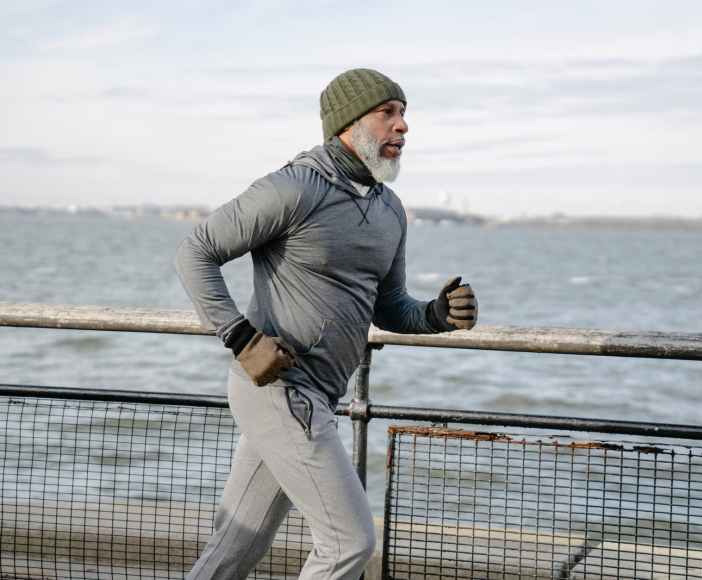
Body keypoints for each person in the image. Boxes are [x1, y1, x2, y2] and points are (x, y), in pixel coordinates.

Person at [175, 67, 478, 580]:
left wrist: (435, 315)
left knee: (230, 555)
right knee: (350, 543)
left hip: (317, 397)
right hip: (280, 391)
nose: (402, 126)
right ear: (348, 122)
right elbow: (196, 250)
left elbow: (388, 306)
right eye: (388, 113)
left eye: (404, 113)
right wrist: (240, 337)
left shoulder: (391, 210)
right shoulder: (294, 188)